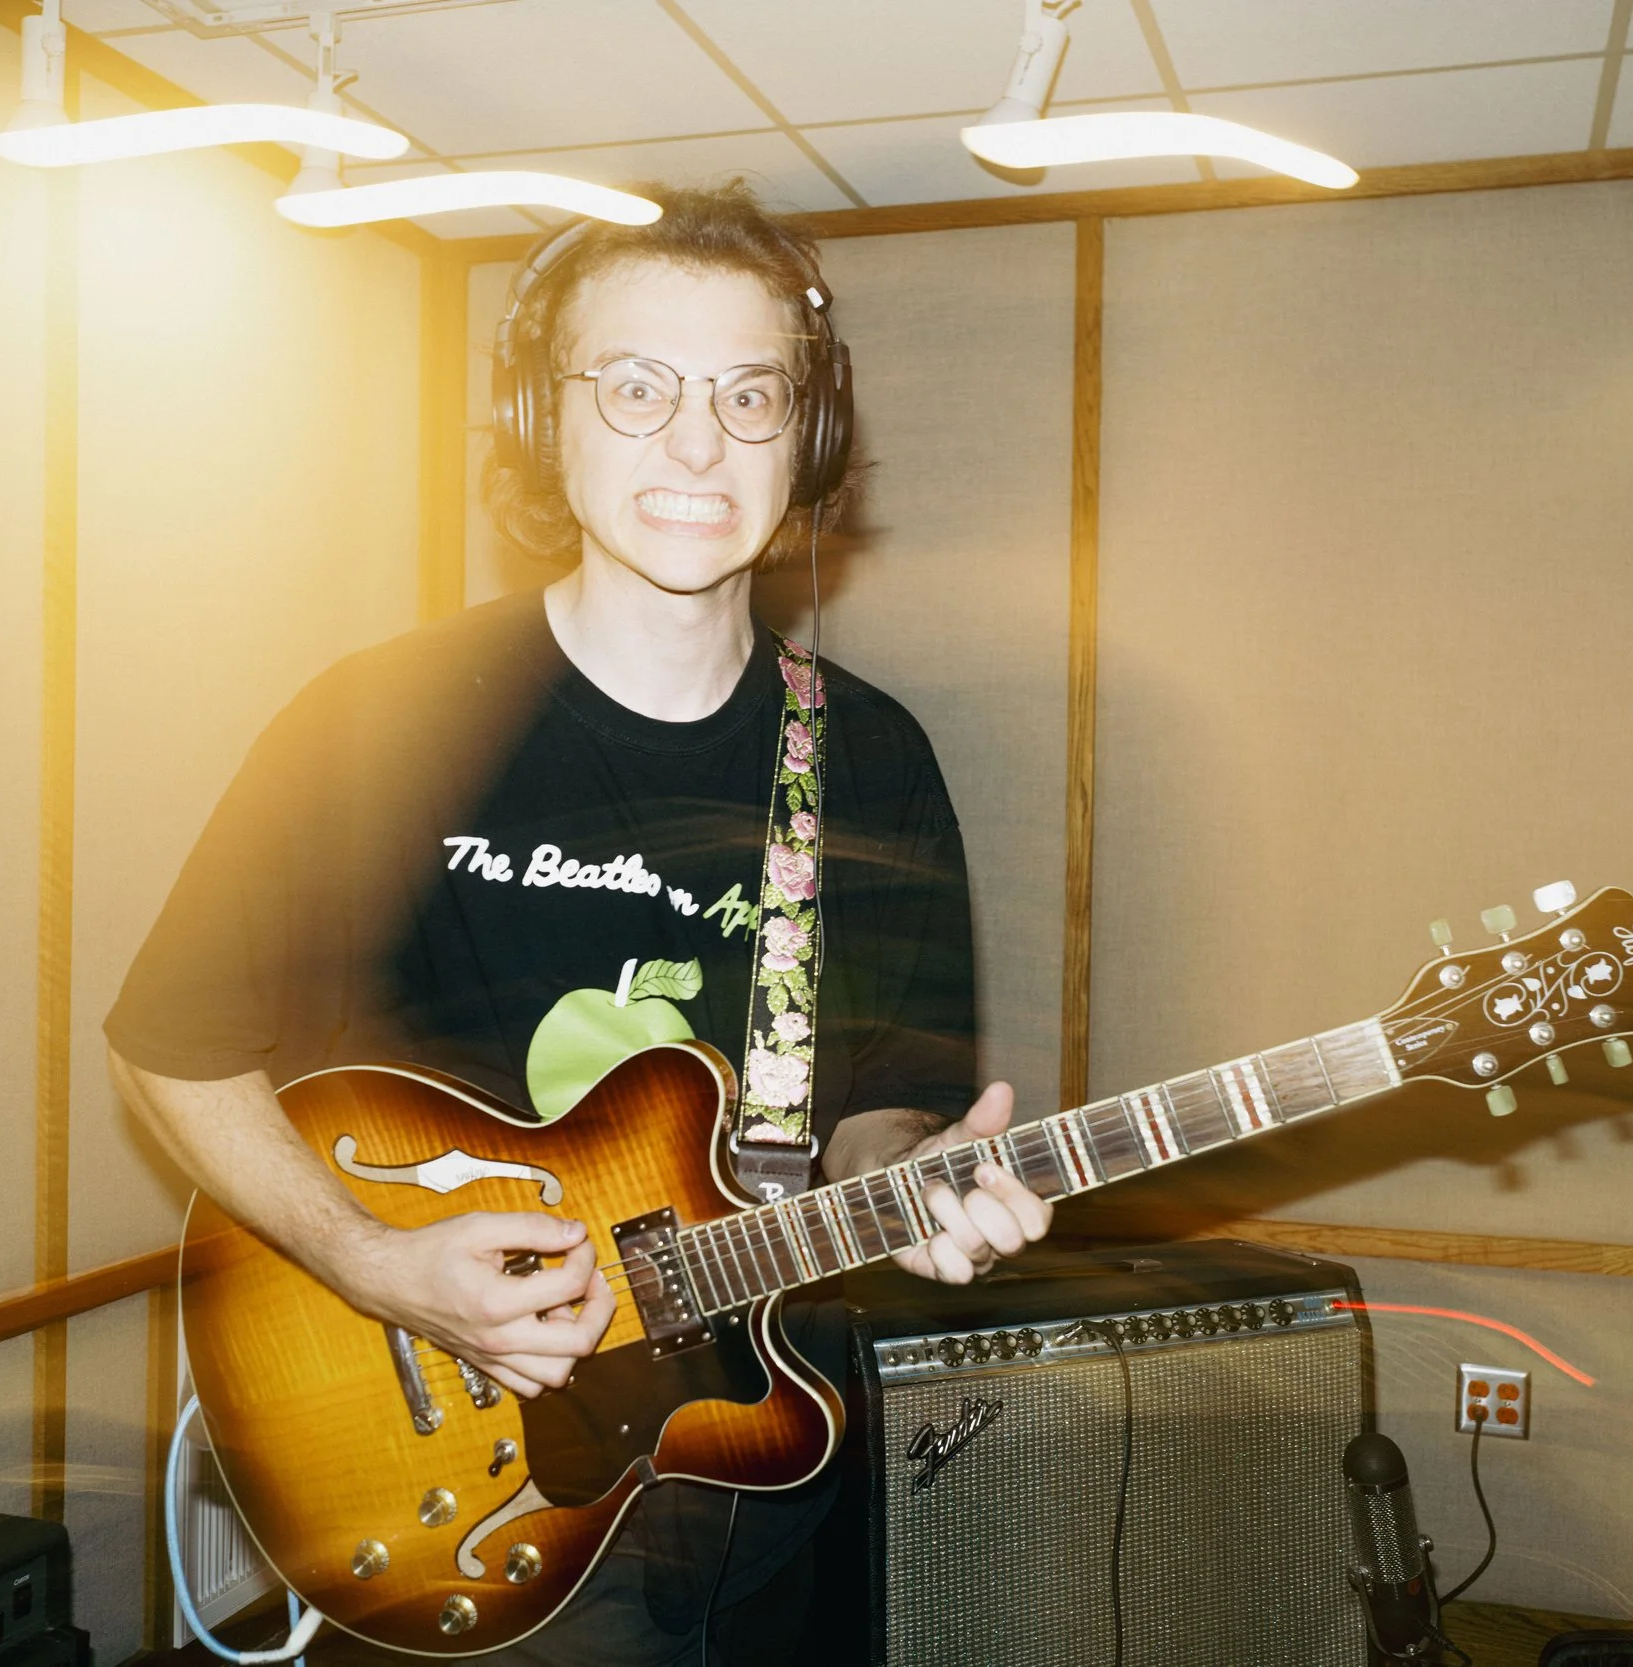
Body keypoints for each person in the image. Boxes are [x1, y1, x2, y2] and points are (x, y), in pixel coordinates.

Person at [103, 181, 1052, 1663]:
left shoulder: (872, 759)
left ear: (807, 434)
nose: (698, 443)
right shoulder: (380, 722)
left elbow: (880, 1110)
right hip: (455, 1478)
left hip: (759, 1470)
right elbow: (170, 1046)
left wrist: (916, 1182)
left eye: (749, 394)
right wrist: (368, 1261)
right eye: (637, 386)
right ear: (545, 422)